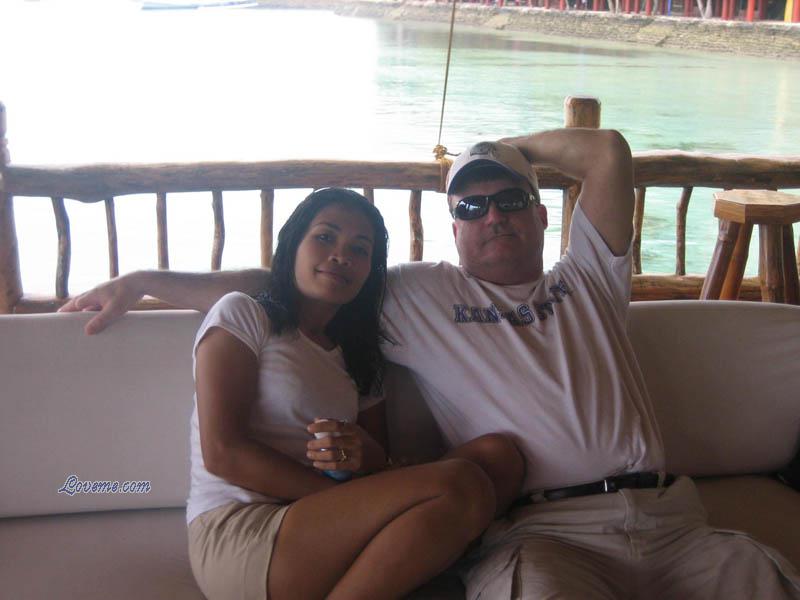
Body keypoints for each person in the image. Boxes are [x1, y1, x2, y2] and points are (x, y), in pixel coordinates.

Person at [61, 130, 800, 599]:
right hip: (547, 531)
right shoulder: (418, 296)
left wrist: (498, 147)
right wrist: (146, 281)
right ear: (453, 232)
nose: (493, 216)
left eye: (509, 199)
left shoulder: (589, 279)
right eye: (470, 208)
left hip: (673, 519)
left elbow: (606, 152)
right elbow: (290, 284)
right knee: (484, 490)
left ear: (543, 214)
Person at [144, 187, 525, 600]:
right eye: (325, 237)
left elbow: (376, 460)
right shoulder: (245, 314)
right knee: (460, 484)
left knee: (498, 457)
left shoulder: (359, 356)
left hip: (333, 521)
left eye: (359, 249)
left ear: (370, 271)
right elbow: (224, 453)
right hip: (245, 530)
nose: (341, 255)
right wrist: (354, 498)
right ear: (293, 244)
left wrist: (362, 452)